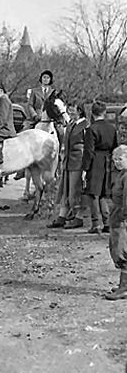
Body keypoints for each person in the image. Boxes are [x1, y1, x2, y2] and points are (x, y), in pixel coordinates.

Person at [71, 101, 117, 232]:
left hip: (95, 161)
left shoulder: (91, 129)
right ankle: (107, 223)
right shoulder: (112, 128)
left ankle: (96, 223)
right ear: (104, 112)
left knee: (92, 193)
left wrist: (85, 169)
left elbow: (88, 151)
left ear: (92, 113)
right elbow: (115, 146)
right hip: (107, 161)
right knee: (103, 193)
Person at [48, 103, 87, 228]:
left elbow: (87, 147)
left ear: (79, 111)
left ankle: (78, 217)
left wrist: (86, 167)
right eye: (68, 110)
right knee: (65, 190)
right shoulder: (71, 124)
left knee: (75, 191)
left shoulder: (85, 125)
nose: (70, 112)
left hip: (78, 163)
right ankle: (62, 216)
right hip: (68, 162)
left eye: (72, 110)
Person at [105, 144, 127, 300]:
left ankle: (124, 288)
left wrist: (122, 218)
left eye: (120, 159)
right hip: (116, 215)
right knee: (116, 249)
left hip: (122, 218)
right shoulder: (122, 174)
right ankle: (123, 284)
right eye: (115, 160)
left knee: (122, 251)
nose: (117, 162)